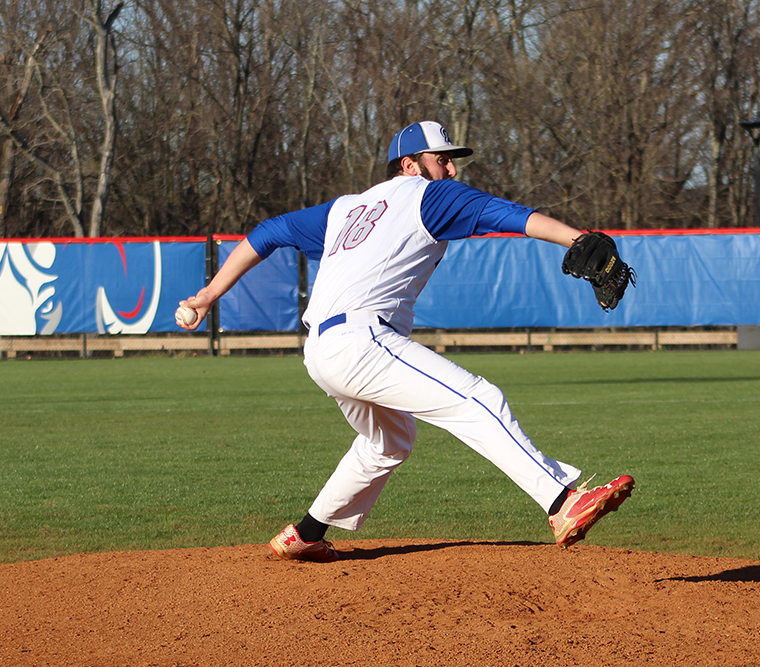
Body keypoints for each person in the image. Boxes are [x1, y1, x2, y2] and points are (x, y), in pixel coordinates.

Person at [177, 121, 634, 562]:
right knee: (478, 399)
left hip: (321, 349)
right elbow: (506, 215)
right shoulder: (425, 196)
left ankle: (305, 534)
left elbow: (268, 232)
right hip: (362, 340)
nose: (451, 170)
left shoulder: (346, 208)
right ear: (410, 165)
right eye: (442, 159)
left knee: (388, 442)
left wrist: (207, 294)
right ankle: (561, 502)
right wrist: (578, 238)